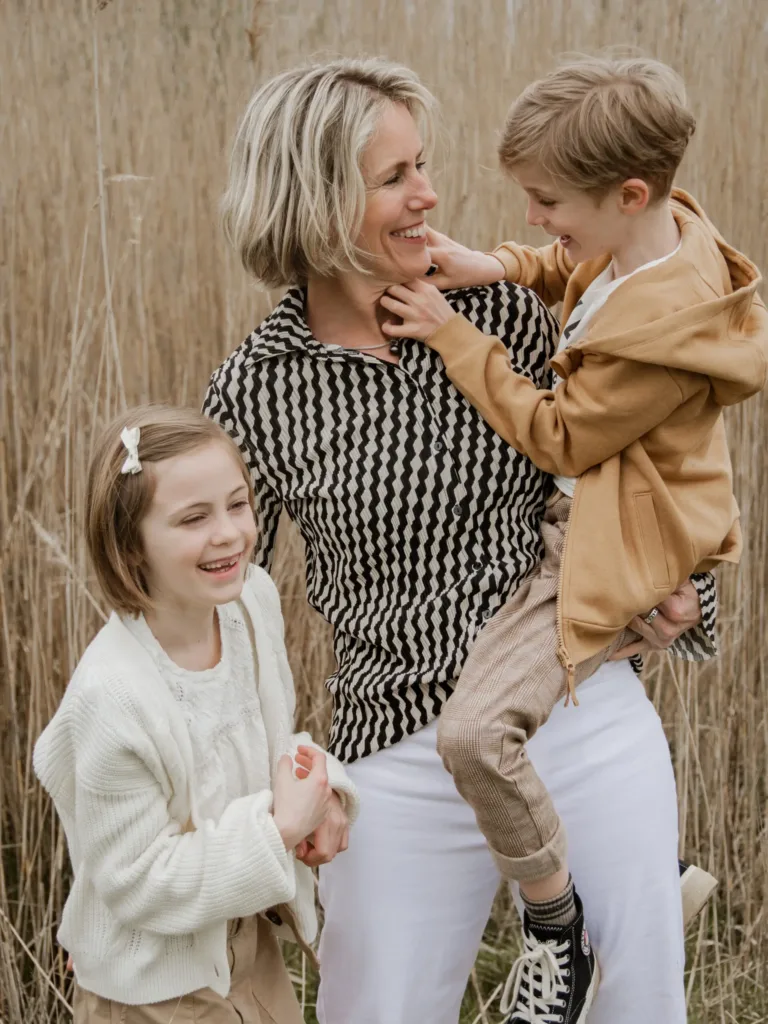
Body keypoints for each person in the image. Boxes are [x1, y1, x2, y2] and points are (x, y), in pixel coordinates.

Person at [204, 57, 719, 1024]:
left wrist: (690, 592)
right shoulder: (256, 390)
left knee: (637, 997)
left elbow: (649, 455)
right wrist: (264, 796)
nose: (429, 195)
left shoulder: (505, 315)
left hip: (572, 697)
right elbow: (224, 611)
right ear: (316, 200)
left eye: (423, 166)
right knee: (377, 1009)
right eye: (395, 176)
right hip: (392, 735)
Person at [383, 55, 768, 1021]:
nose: (531, 218)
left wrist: (450, 333)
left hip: (599, 534)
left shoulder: (661, 330)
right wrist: (497, 268)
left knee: (474, 732)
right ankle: (644, 868)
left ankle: (556, 925)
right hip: (626, 524)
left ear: (630, 191)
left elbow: (560, 430)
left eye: (546, 200)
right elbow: (578, 269)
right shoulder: (660, 236)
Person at [33, 405, 359, 1024]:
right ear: (129, 545)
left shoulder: (250, 604)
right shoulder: (114, 697)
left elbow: (273, 738)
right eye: (193, 518)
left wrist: (323, 793)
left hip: (245, 950)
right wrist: (279, 831)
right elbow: (137, 881)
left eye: (238, 505)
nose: (230, 534)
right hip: (153, 989)